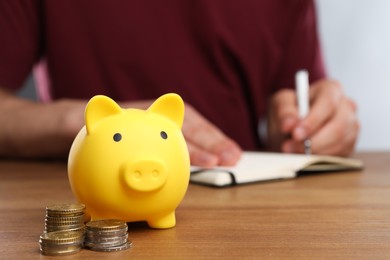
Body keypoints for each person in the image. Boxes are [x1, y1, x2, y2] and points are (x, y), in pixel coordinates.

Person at [0, 0, 359, 167]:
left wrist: (310, 128)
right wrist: (80, 123)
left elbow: (291, 103)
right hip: (92, 202)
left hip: (241, 197)